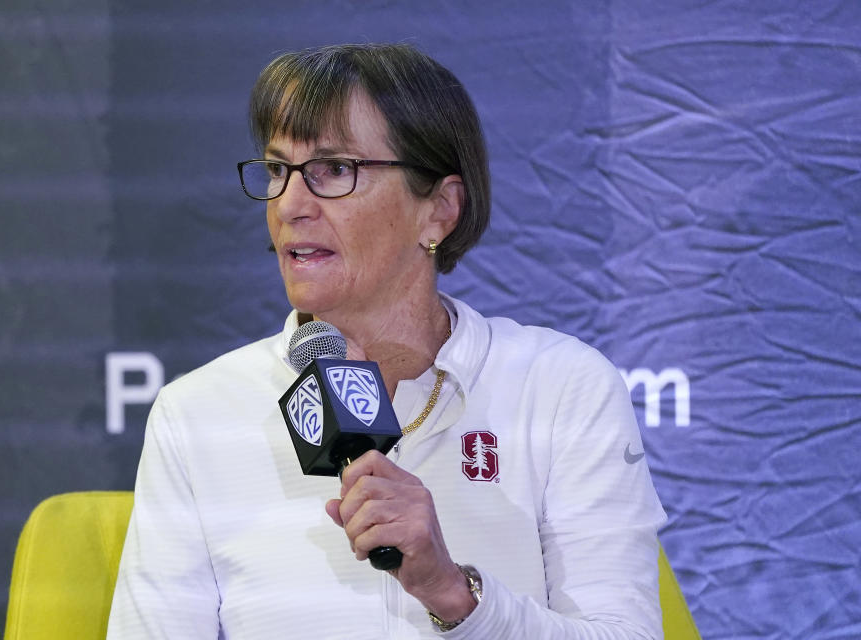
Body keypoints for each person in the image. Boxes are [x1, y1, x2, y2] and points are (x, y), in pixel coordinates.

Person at [107, 43, 666, 639]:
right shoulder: (198, 414)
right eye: (278, 170)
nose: (290, 205)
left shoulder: (561, 389)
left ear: (440, 211)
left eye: (334, 170)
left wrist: (454, 594)